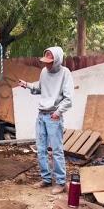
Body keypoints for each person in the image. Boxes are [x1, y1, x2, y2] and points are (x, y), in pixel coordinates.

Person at [19, 47, 74, 195]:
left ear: (57, 60)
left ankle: (61, 182)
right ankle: (46, 179)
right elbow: (39, 88)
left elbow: (69, 99)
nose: (47, 65)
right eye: (45, 62)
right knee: (41, 149)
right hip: (41, 115)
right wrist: (27, 85)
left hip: (53, 116)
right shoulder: (44, 72)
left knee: (56, 150)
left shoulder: (65, 73)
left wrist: (57, 112)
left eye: (50, 62)